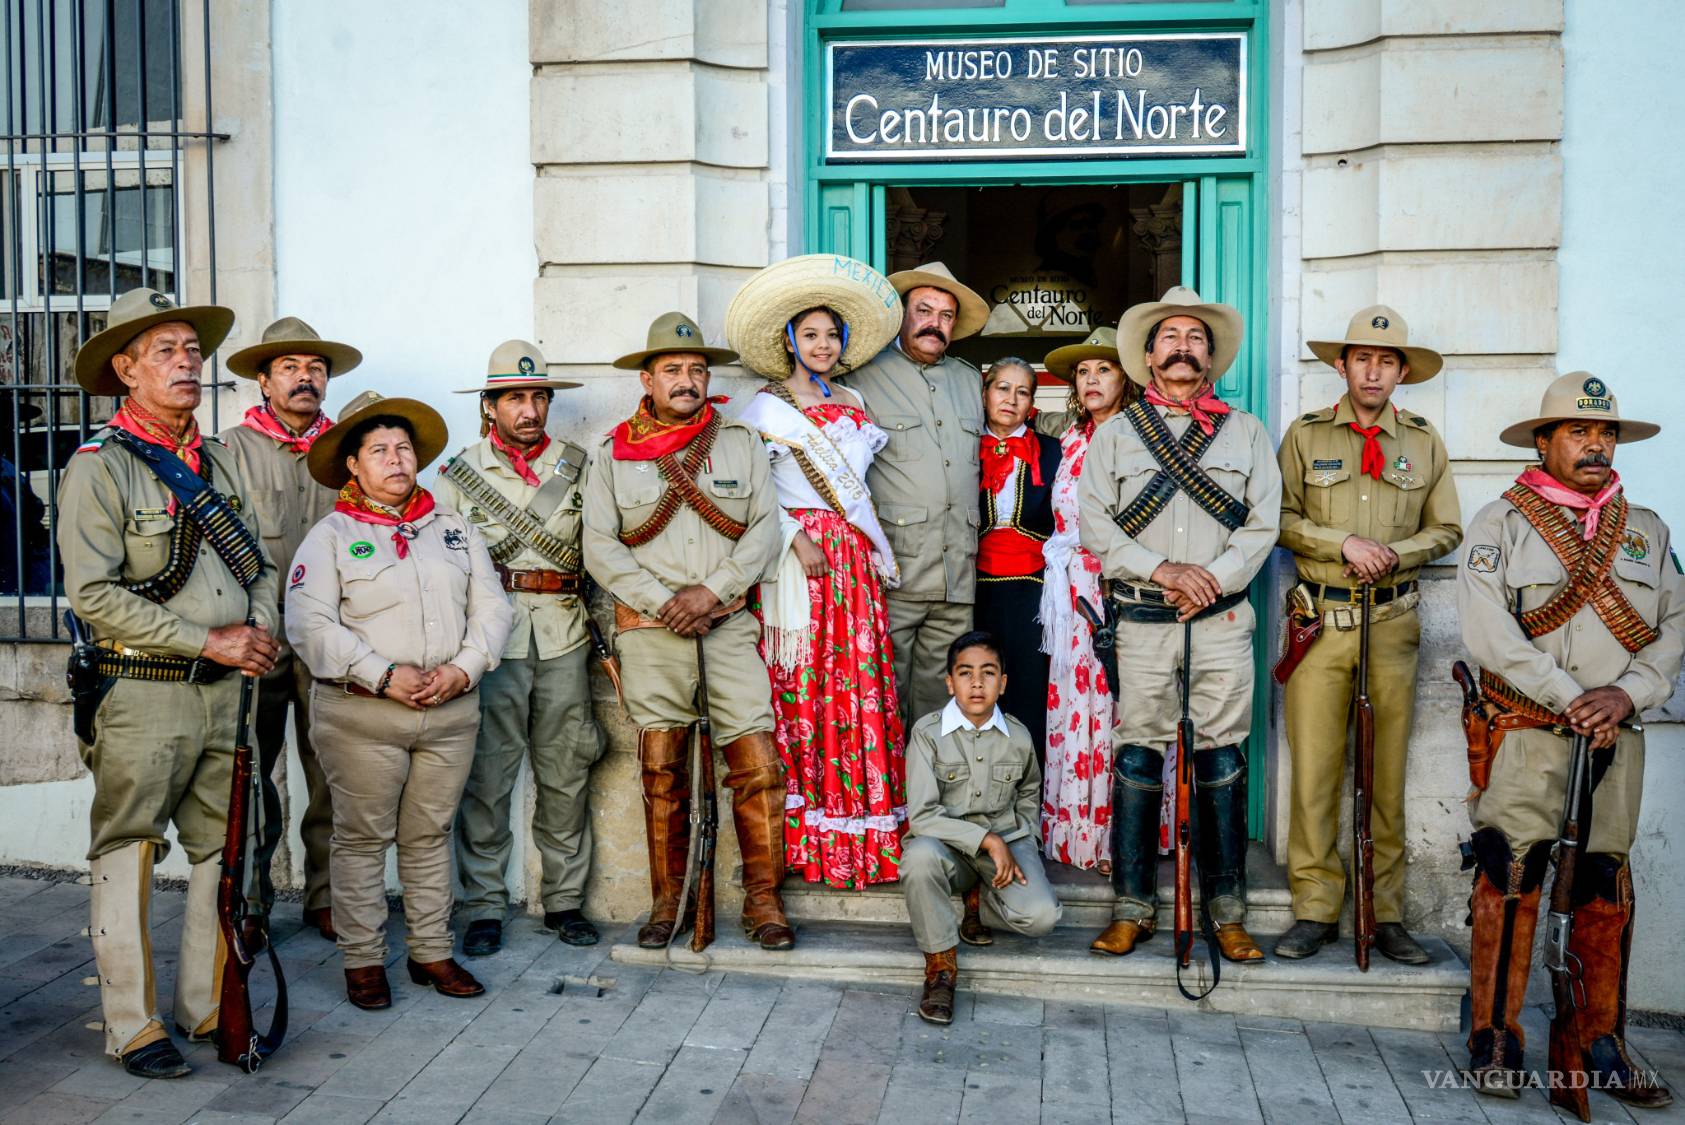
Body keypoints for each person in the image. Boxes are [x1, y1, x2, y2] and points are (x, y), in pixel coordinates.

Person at [57, 287, 278, 1078]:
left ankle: (208, 1003)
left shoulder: (217, 461)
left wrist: (257, 629)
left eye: (191, 349)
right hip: (142, 691)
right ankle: (133, 1023)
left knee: (225, 847)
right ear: (126, 370)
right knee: (129, 847)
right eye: (165, 351)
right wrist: (208, 638)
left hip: (227, 691)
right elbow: (93, 594)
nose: (186, 363)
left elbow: (260, 562)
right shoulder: (99, 466)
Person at [1457, 372, 1680, 1106]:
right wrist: (1568, 695)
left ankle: (1599, 1040)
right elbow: (1487, 629)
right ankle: (1495, 1036)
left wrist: (1629, 692)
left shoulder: (1647, 529)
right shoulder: (1501, 522)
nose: (1595, 445)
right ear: (1543, 440)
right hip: (1527, 727)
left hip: (1616, 732)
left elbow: (1675, 624)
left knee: (1604, 884)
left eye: (1605, 432)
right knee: (1509, 874)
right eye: (1579, 431)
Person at [286, 390, 513, 1010]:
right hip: (362, 716)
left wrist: (464, 669)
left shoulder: (453, 529)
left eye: (404, 448)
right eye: (380, 450)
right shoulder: (331, 537)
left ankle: (431, 951)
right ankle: (362, 960)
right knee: (361, 839)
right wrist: (383, 675)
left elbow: (492, 608)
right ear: (353, 465)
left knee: (429, 834)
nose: (396, 459)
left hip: (449, 714)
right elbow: (309, 624)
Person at [1079, 287, 1280, 962]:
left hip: (1219, 619)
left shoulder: (1246, 432)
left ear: (1211, 358)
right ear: (1147, 357)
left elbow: (1263, 523)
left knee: (1221, 758)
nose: (1182, 347)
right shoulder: (1114, 435)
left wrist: (1212, 579)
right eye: (1169, 336)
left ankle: (1227, 911)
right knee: (1138, 756)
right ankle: (1131, 907)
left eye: (1195, 337)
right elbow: (1094, 523)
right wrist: (1164, 569)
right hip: (1141, 618)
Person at [582, 312, 794, 950]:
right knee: (663, 773)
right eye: (672, 369)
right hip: (652, 633)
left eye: (697, 369)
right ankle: (667, 899)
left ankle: (764, 900)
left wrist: (712, 592)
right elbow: (599, 546)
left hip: (727, 626)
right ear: (647, 380)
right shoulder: (612, 454)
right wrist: (665, 601)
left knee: (758, 766)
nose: (687, 380)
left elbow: (765, 530)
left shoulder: (740, 443)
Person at [1273, 306, 1462, 963]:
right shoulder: (1305, 435)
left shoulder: (1422, 441)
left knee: (1385, 776)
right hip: (1320, 622)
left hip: (1391, 624)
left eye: (1386, 361)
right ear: (1342, 365)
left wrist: (1395, 554)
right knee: (1315, 773)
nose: (1373, 371)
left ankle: (1384, 913)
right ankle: (1315, 908)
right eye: (1362, 359)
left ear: (1401, 372)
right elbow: (1278, 517)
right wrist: (1343, 543)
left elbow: (1447, 528)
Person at [725, 254, 908, 889]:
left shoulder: (855, 401)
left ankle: (861, 832)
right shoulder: (763, 410)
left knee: (855, 687)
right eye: (810, 334)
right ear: (789, 341)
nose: (822, 345)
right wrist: (795, 536)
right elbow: (749, 495)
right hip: (797, 560)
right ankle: (807, 842)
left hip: (852, 561)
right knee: (804, 691)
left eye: (832, 335)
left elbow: (860, 489)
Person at [435, 340, 606, 955]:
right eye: (514, 399)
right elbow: (444, 569)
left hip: (564, 635)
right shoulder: (458, 476)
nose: (529, 410)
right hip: (492, 643)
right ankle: (484, 905)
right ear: (490, 406)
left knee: (567, 772)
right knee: (488, 777)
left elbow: (602, 548)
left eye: (538, 397)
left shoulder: (580, 467)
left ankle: (564, 901)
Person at [222, 316, 362, 942]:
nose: (306, 378)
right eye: (290, 368)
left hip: (332, 638)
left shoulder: (351, 451)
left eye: (316, 368)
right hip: (258, 636)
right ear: (263, 380)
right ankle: (250, 902)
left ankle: (327, 897)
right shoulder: (228, 452)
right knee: (250, 772)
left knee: (333, 772)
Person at [836, 262, 991, 726]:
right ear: (901, 316)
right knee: (884, 697)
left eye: (946, 316)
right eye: (924, 311)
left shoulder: (969, 380)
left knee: (943, 703)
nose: (934, 323)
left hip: (957, 572)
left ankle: (929, 774)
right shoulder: (861, 377)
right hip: (895, 572)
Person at [901, 630, 1061, 1026]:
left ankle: (982, 902)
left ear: (1002, 683)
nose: (976, 683)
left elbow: (1029, 792)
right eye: (965, 673)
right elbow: (922, 816)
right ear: (949, 682)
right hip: (949, 850)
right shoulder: (927, 734)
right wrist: (986, 840)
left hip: (1006, 844)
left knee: (1042, 917)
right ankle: (940, 968)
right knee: (918, 858)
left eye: (988, 673)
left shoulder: (1018, 736)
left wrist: (1025, 842)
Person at [1039, 326, 1131, 873]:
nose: (1092, 379)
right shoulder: (1069, 438)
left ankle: (1117, 835)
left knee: (1116, 701)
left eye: (1105, 369)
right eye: (1083, 372)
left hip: (1118, 584)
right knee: (1075, 703)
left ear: (1127, 378)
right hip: (1070, 587)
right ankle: (1078, 827)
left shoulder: (1138, 435)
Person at [972, 356, 1060, 761]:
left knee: (1028, 688)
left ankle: (1030, 783)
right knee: (979, 687)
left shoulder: (1054, 452)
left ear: (1032, 404)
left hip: (1035, 589)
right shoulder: (964, 448)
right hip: (975, 589)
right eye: (1002, 388)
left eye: (1022, 392)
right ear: (985, 393)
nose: (1011, 399)